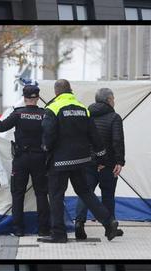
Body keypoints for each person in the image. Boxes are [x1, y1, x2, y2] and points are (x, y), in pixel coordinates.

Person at [39, 79, 119, 244]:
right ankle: (109, 222)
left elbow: (48, 136)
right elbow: (94, 136)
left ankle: (59, 234)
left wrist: (46, 150)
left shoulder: (52, 108)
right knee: (86, 192)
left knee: (56, 196)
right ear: (71, 91)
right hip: (82, 160)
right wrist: (101, 157)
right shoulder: (83, 109)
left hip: (59, 161)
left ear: (56, 93)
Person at [0, 84, 50, 237]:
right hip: (40, 158)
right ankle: (43, 229)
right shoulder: (45, 114)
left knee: (18, 193)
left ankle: (18, 229)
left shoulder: (18, 114)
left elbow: (0, 127)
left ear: (24, 98)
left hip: (21, 159)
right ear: (38, 98)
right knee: (41, 193)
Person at [75, 88, 125, 240]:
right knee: (108, 195)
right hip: (107, 164)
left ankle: (79, 223)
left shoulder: (86, 114)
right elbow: (117, 141)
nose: (114, 101)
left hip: (87, 162)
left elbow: (82, 139)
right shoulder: (114, 117)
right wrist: (119, 161)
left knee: (85, 194)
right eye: (113, 98)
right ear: (109, 100)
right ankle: (109, 227)